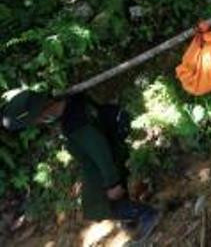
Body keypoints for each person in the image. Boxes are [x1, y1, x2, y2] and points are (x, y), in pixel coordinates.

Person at [1, 89, 160, 242]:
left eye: (34, 120)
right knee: (103, 196)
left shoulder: (75, 123)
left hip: (105, 159)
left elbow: (100, 150)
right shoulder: (72, 102)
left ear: (41, 113)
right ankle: (131, 217)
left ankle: (145, 214)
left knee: (95, 204)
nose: (35, 124)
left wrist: (112, 182)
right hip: (104, 153)